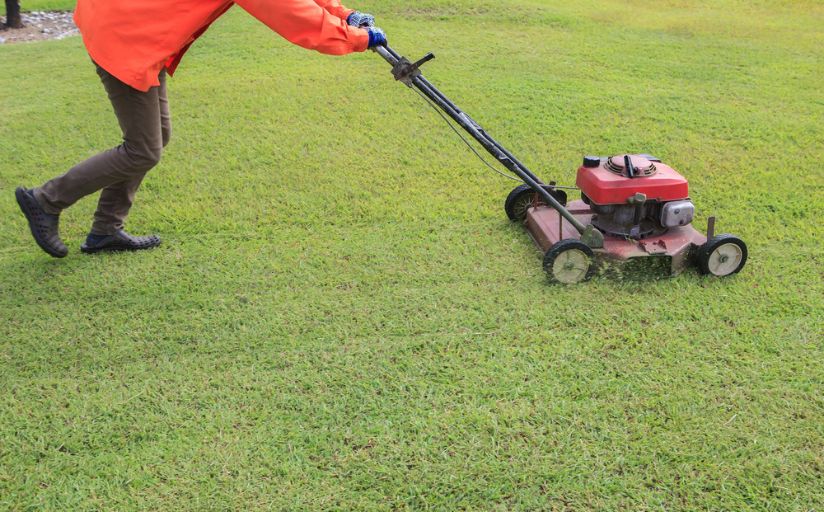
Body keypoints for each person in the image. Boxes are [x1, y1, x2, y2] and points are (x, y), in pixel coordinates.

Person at [15, 0, 386, 258]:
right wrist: (358, 38)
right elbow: (298, 19)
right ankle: (46, 200)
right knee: (142, 149)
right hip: (125, 33)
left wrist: (345, 14)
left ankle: (105, 231)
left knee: (153, 139)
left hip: (136, 27)